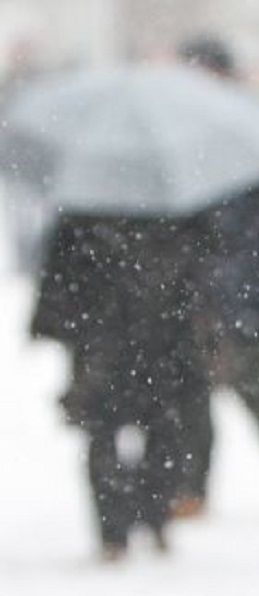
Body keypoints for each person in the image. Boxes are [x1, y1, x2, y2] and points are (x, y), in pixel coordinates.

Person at [173, 36, 259, 516]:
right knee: (191, 389)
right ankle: (193, 486)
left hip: (245, 285)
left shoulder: (258, 131)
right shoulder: (179, 131)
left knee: (251, 380)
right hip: (194, 284)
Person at [31, 214, 212, 560]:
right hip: (156, 336)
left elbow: (60, 273)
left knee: (114, 435)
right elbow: (202, 264)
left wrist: (55, 320)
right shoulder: (176, 207)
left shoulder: (83, 206)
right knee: (159, 431)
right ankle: (149, 520)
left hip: (108, 338)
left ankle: (116, 531)